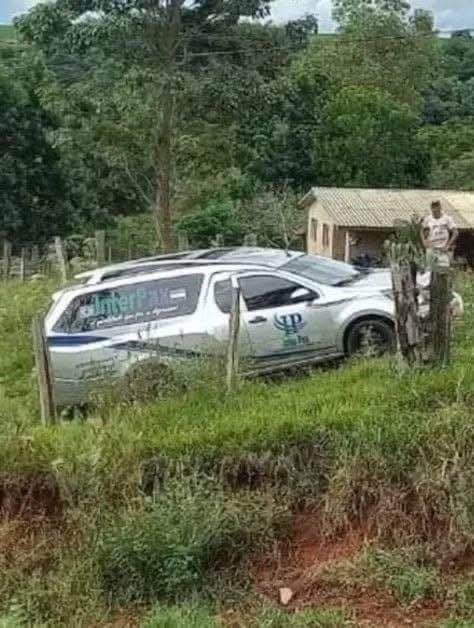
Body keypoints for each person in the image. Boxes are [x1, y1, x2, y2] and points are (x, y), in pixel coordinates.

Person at [420, 200, 458, 265]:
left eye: (436, 207)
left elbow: (455, 233)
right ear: (431, 208)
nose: (435, 209)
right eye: (433, 207)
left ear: (440, 207)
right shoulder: (428, 219)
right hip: (431, 249)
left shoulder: (447, 219)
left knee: (443, 268)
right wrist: (424, 241)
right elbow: (421, 230)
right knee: (430, 268)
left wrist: (448, 245)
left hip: (443, 250)